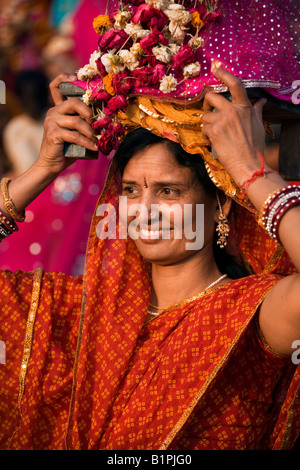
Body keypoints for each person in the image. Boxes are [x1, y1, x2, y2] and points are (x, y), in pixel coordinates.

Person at [0, 0, 299, 451]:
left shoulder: (254, 315)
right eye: (131, 191)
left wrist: (249, 171)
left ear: (219, 206)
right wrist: (39, 172)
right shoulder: (74, 316)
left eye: (169, 191)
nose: (145, 210)